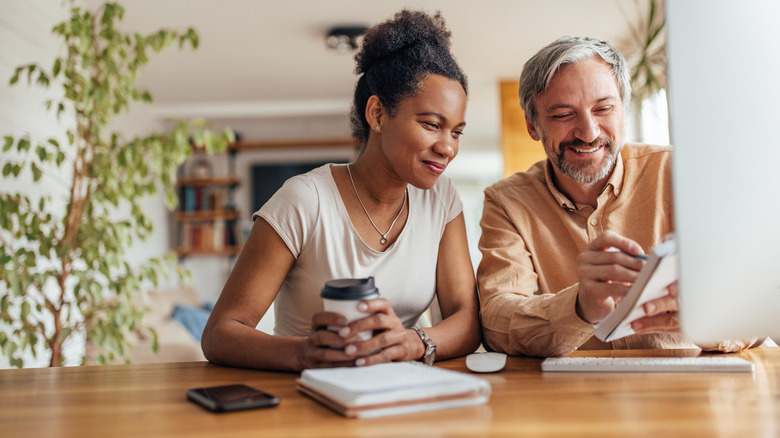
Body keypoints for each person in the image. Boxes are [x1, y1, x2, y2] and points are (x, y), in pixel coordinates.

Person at [201, 10, 480, 371]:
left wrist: (413, 342)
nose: (448, 147)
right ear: (377, 114)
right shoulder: (304, 200)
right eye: (431, 125)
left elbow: (468, 318)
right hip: (309, 396)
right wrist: (302, 353)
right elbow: (220, 333)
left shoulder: (441, 200)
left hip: (404, 394)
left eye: (456, 131)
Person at [477, 36, 761, 357]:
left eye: (604, 108)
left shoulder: (683, 173)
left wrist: (709, 320)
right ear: (532, 125)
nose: (589, 132)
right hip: (573, 397)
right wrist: (580, 307)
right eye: (562, 115)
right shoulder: (506, 202)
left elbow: (754, 300)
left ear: (624, 109)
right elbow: (496, 320)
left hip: (693, 388)